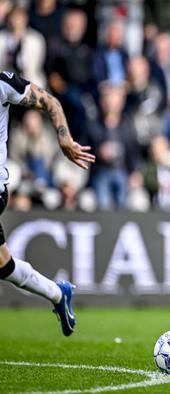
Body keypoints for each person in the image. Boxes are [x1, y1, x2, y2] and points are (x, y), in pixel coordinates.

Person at [0, 71, 95, 335]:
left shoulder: (3, 84)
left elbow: (49, 101)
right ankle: (57, 293)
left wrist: (63, 137)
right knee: (4, 264)